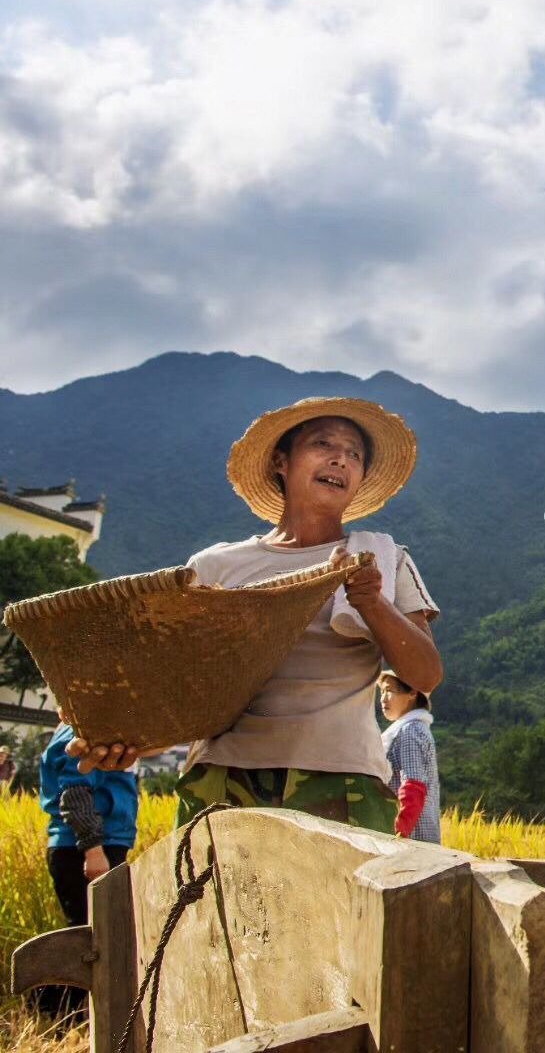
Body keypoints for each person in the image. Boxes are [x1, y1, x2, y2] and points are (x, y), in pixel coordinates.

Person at [71, 398, 442, 834]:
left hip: (342, 781)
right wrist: (130, 740)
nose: (341, 458)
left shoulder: (382, 557)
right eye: (323, 443)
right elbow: (182, 689)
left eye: (354, 453)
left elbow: (425, 674)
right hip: (221, 780)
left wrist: (372, 602)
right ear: (281, 461)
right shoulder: (215, 568)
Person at [38, 718, 139, 1016]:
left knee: (97, 935)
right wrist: (93, 850)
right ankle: (56, 1014)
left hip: (99, 844)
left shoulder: (103, 731)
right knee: (88, 938)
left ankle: (74, 1015)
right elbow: (75, 794)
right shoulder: (82, 733)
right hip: (83, 848)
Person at [378, 669, 441, 844]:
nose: (383, 698)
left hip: (412, 840)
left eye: (390, 691)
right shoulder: (411, 728)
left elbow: (413, 787)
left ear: (412, 692)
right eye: (382, 692)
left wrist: (400, 832)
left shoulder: (410, 731)